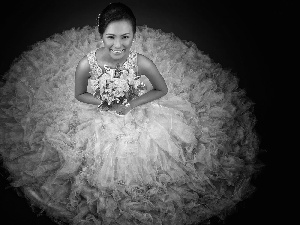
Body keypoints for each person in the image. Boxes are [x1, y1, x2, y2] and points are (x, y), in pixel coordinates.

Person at [0, 2, 260, 225]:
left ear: (134, 35)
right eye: (111, 37)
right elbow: (80, 94)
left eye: (126, 37)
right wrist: (102, 102)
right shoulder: (86, 64)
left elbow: (161, 89)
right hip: (101, 110)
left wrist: (132, 103)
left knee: (162, 153)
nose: (118, 45)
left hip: (140, 108)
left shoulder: (141, 62)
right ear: (101, 34)